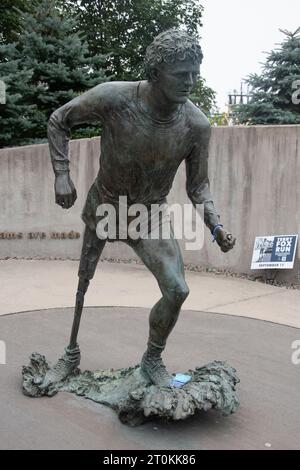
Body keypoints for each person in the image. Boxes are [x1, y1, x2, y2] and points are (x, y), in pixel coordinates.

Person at [40, 29, 235, 389]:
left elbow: (198, 187)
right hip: (106, 205)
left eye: (195, 73)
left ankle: (152, 357)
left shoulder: (196, 125)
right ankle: (69, 354)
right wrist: (62, 174)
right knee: (84, 282)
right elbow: (59, 119)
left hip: (149, 215)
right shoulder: (115, 97)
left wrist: (215, 225)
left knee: (177, 290)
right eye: (181, 75)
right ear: (156, 72)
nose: (190, 82)